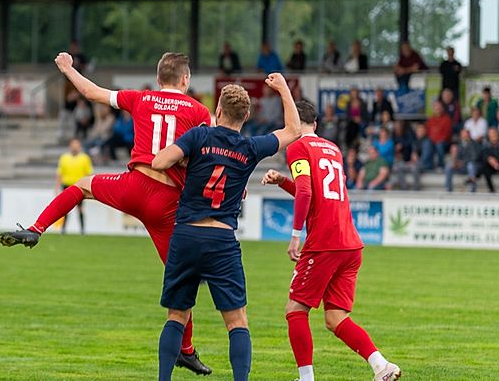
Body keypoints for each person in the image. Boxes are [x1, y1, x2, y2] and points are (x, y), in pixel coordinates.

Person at [0, 51, 215, 375]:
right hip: (167, 201)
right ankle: (185, 350)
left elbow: (91, 92)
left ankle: (36, 228)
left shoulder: (141, 98)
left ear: (158, 79)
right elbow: (212, 153)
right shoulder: (198, 110)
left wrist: (67, 69)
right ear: (185, 79)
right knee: (181, 277)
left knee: (81, 186)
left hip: (134, 186)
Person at [151, 81, 300, 381]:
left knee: (177, 316)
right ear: (246, 116)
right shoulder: (250, 147)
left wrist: (186, 160)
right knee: (237, 322)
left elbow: (159, 161)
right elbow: (294, 130)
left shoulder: (199, 136)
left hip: (186, 234)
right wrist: (284, 88)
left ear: (217, 110)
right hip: (221, 239)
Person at [262, 100, 402, 381]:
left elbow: (306, 193)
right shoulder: (333, 149)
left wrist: (295, 235)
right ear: (315, 124)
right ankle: (382, 366)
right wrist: (283, 182)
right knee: (335, 318)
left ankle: (306, 378)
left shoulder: (297, 147)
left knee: (295, 310)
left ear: (292, 121)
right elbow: (318, 192)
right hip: (350, 243)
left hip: (324, 243)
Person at [55, 138, 93, 235]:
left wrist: (89, 188)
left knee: (80, 209)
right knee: (65, 209)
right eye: (73, 145)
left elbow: (88, 174)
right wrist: (57, 187)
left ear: (79, 146)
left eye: (76, 145)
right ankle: (63, 230)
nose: (75, 147)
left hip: (80, 187)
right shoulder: (64, 158)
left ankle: (82, 230)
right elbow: (60, 173)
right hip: (67, 185)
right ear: (70, 146)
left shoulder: (85, 158)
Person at [476, 127, 499, 193]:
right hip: (490, 166)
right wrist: (490, 159)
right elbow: (482, 156)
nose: (492, 135)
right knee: (486, 168)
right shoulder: (487, 145)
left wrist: (495, 161)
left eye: (493, 133)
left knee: (485, 168)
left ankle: (475, 177)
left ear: (497, 134)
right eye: (490, 134)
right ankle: (491, 189)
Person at [426, 101, 453, 169]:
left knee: (439, 144)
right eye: (436, 108)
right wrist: (432, 140)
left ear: (442, 109)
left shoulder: (447, 119)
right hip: (433, 141)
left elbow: (447, 134)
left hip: (444, 142)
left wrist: (437, 140)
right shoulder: (430, 119)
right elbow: (428, 132)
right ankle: (428, 165)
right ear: (433, 109)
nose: (438, 110)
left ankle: (440, 165)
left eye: (439, 108)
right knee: (427, 143)